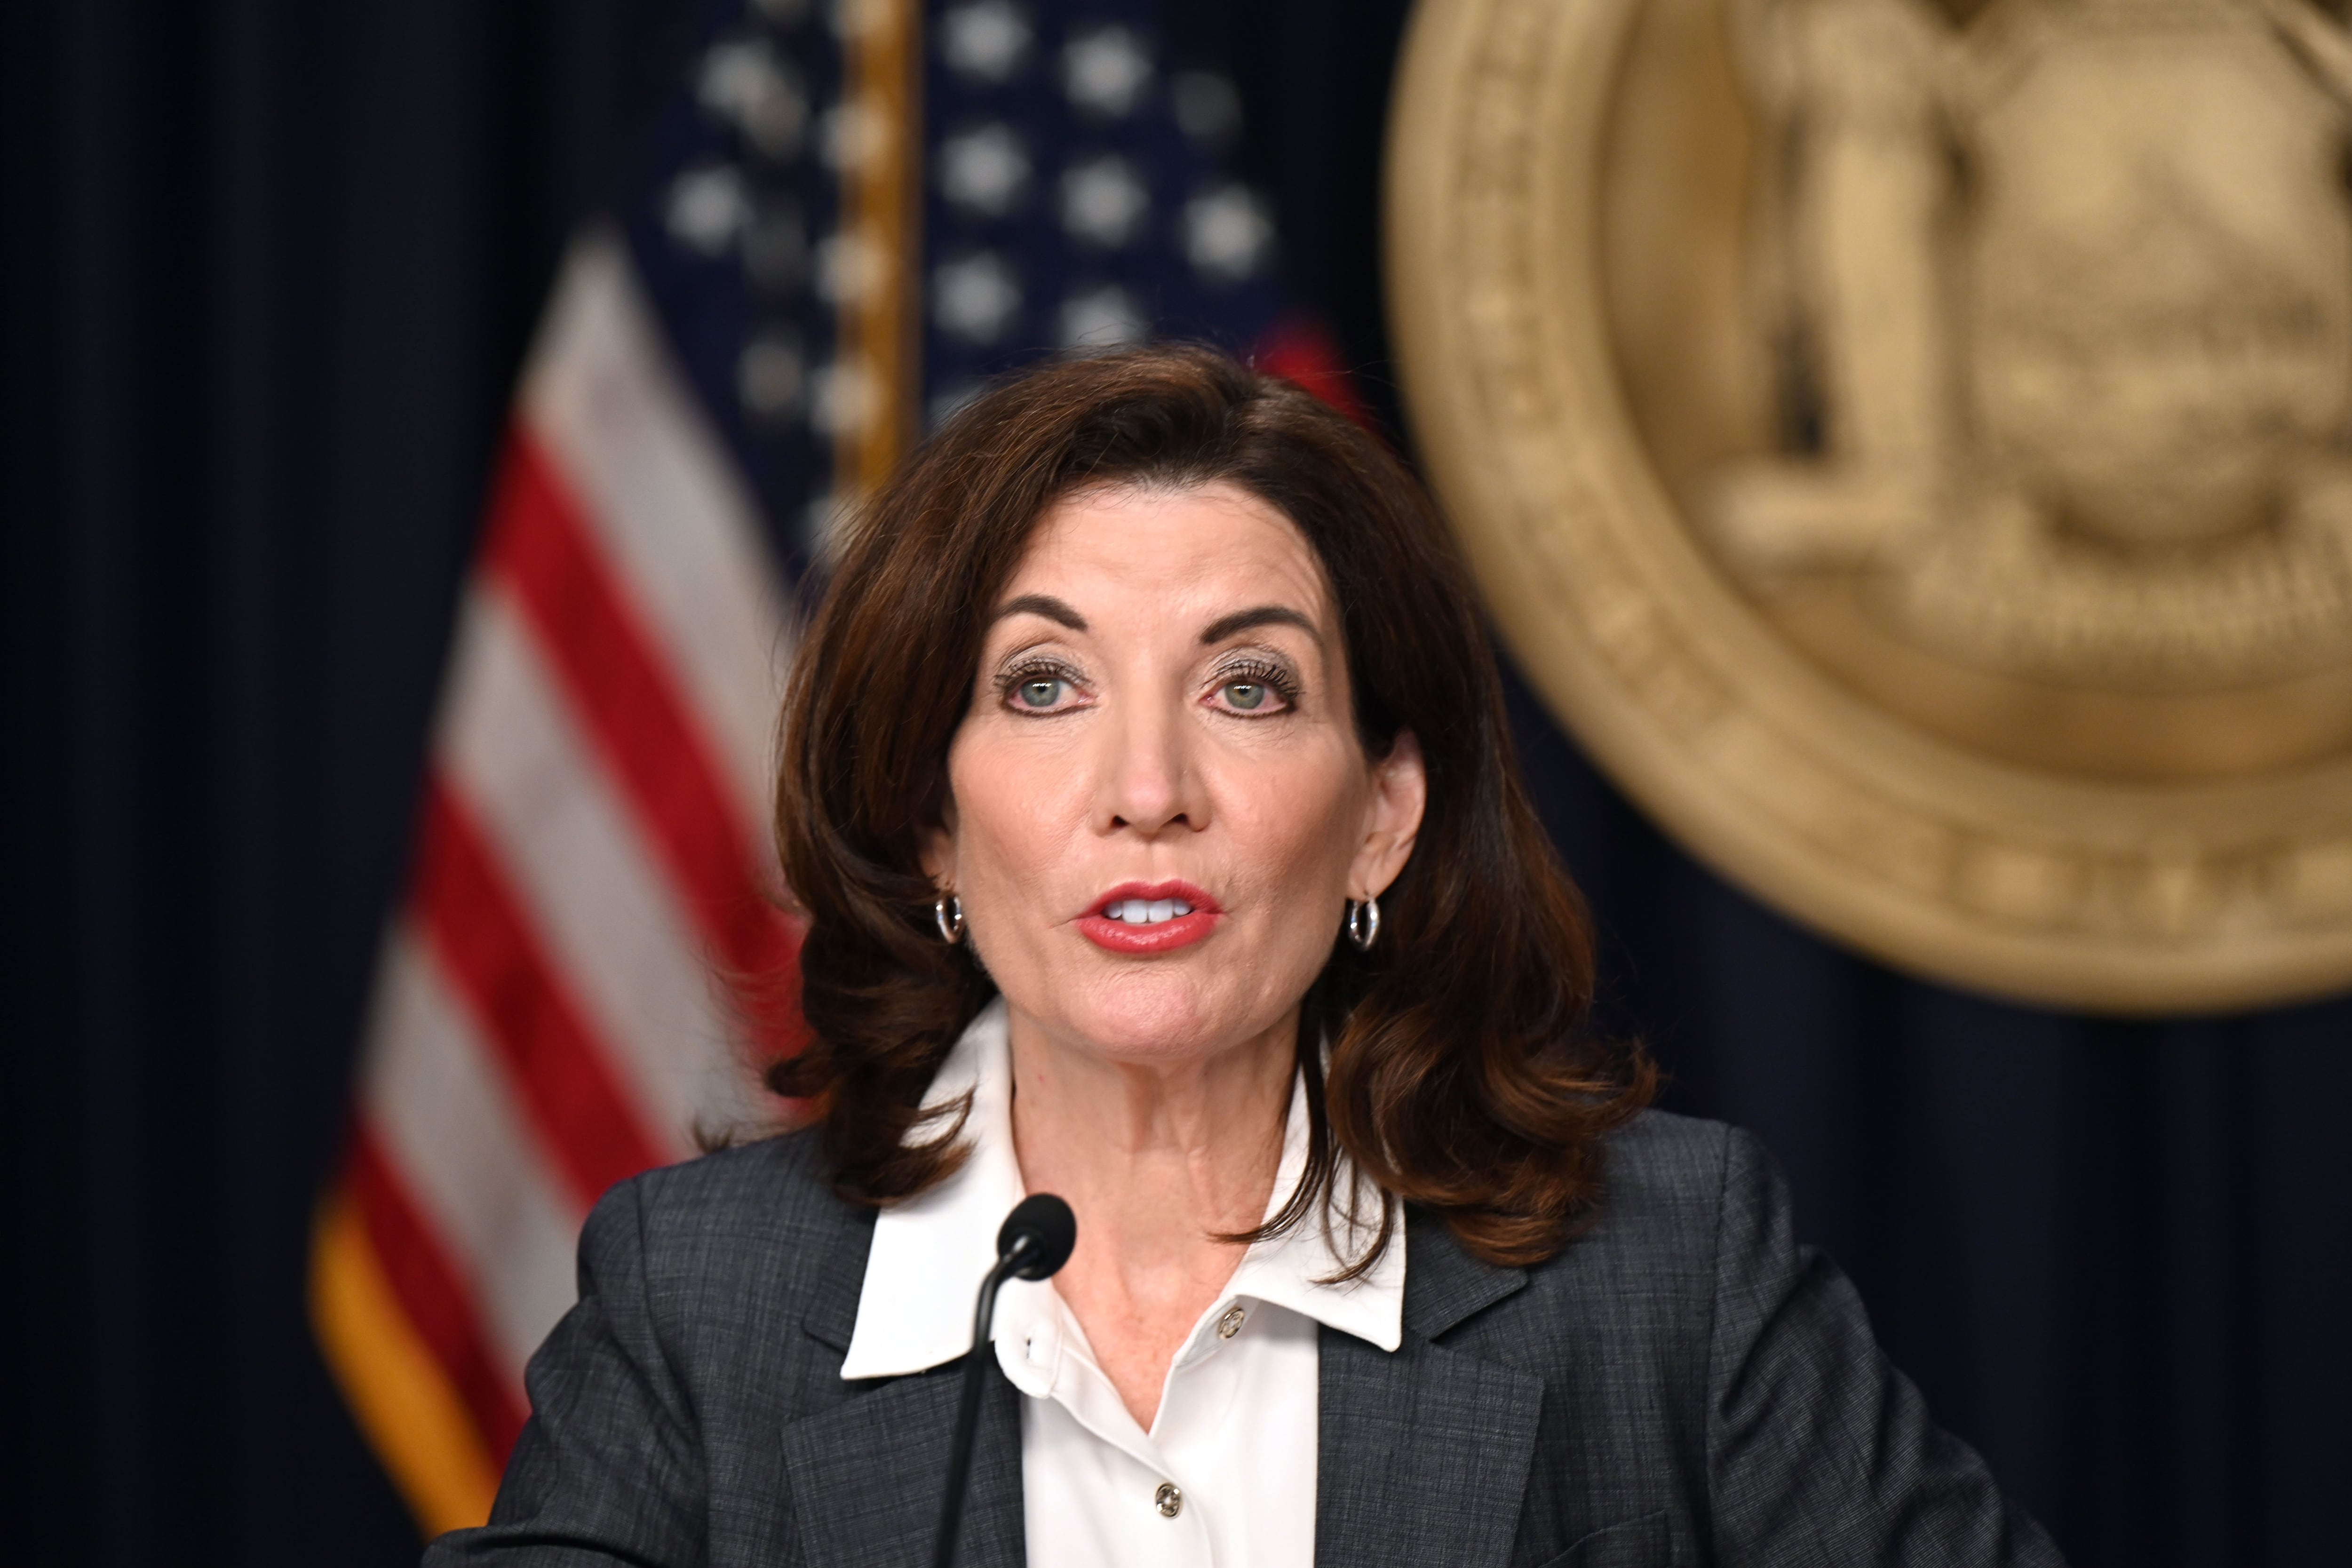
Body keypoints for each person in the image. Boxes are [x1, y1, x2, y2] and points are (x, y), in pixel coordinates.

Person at [425, 346, 2064, 1567]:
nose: (1150, 794)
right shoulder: (702, 1297)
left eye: (1250, 689)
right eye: (1046, 688)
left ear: (1381, 820)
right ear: (932, 819)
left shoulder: (1667, 1274)